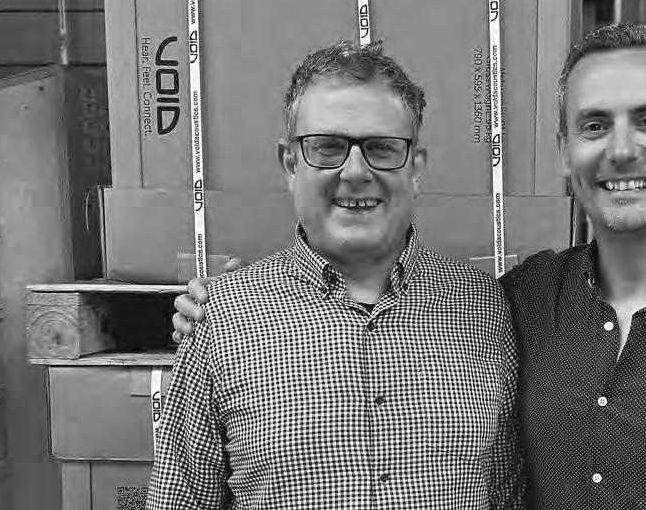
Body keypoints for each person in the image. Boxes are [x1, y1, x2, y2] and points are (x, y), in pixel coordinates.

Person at [174, 24, 646, 509]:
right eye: (594, 125)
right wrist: (214, 311)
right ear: (565, 153)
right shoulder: (523, 302)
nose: (620, 150)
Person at [148, 41, 523, 509]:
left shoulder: (485, 308)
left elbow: (508, 494)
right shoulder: (220, 319)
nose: (355, 172)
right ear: (290, 163)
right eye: (327, 147)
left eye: (382, 148)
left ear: (416, 168)